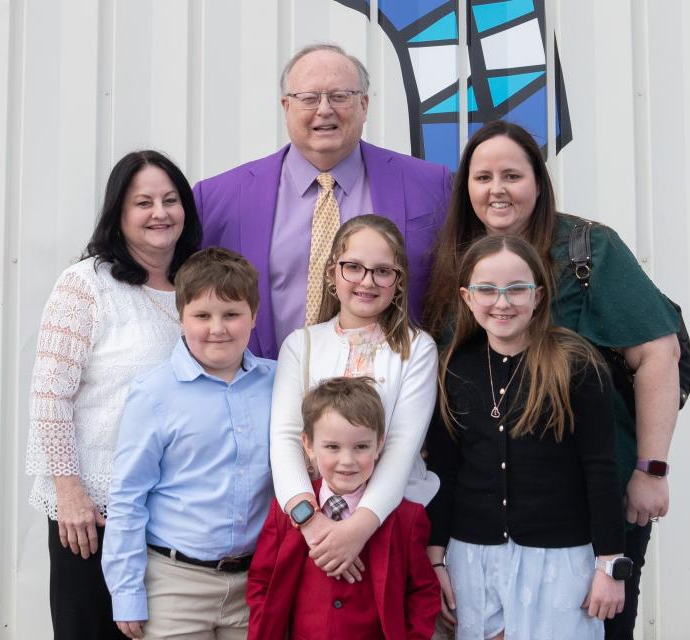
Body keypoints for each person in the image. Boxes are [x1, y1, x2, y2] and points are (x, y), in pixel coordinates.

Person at [423, 121, 681, 638]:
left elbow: (659, 352)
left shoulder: (586, 248)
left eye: (512, 175)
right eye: (482, 176)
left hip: (594, 501)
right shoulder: (456, 258)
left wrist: (650, 469)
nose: (496, 189)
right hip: (487, 523)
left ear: (538, 183)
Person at [24, 150, 202, 639]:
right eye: (143, 202)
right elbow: (49, 395)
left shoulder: (197, 285)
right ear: (119, 214)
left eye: (170, 199)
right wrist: (70, 491)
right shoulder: (86, 285)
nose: (159, 212)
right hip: (95, 508)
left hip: (172, 510)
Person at [193, 42, 451, 359]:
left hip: (388, 394)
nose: (324, 109)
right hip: (262, 393)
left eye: (340, 96)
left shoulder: (431, 186)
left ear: (365, 105)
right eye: (309, 98)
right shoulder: (218, 198)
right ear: (286, 106)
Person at [425, 234, 627, 639]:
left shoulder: (575, 364)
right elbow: (444, 470)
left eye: (516, 289)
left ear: (537, 295)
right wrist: (436, 559)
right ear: (467, 297)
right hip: (473, 556)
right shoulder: (453, 367)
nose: (502, 302)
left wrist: (610, 565)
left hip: (559, 560)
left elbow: (601, 470)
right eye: (487, 289)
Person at [101, 247, 276, 640]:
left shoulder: (278, 385)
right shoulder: (154, 394)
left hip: (255, 582)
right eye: (202, 316)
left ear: (254, 315)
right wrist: (127, 591)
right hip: (175, 583)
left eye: (231, 314)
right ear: (181, 318)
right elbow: (128, 497)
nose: (218, 328)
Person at [269, 214, 439, 582]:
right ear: (333, 273)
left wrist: (359, 528)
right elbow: (285, 438)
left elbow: (400, 446)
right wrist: (311, 523)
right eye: (353, 267)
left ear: (398, 281)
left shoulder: (417, 349)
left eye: (382, 271)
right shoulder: (302, 344)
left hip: (389, 521)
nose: (367, 281)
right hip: (313, 525)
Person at [248, 376, 440, 639]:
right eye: (332, 447)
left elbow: (423, 592)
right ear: (308, 445)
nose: (347, 461)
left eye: (361, 446)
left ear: (379, 445)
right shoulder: (286, 513)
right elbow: (261, 581)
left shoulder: (408, 518)